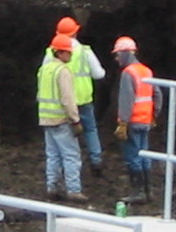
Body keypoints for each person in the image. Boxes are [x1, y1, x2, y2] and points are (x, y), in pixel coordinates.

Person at [42, 16, 105, 176]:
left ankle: (64, 171)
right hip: (83, 99)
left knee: (66, 136)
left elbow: (45, 74)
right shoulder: (85, 51)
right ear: (76, 32)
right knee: (90, 130)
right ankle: (96, 162)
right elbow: (99, 74)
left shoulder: (51, 52)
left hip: (61, 103)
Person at [37, 33, 88, 203]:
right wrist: (75, 120)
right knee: (71, 155)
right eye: (68, 52)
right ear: (60, 53)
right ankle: (73, 190)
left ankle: (52, 187)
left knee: (52, 155)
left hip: (46, 119)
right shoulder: (63, 71)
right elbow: (67, 99)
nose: (71, 54)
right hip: (61, 120)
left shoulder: (44, 69)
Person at [112, 36, 163, 204]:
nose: (116, 58)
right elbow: (157, 95)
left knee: (132, 156)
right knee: (144, 155)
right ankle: (148, 192)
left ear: (126, 53)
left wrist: (123, 123)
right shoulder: (146, 70)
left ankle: (138, 192)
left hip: (132, 122)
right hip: (145, 122)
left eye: (118, 54)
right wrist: (154, 115)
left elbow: (127, 100)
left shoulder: (128, 73)